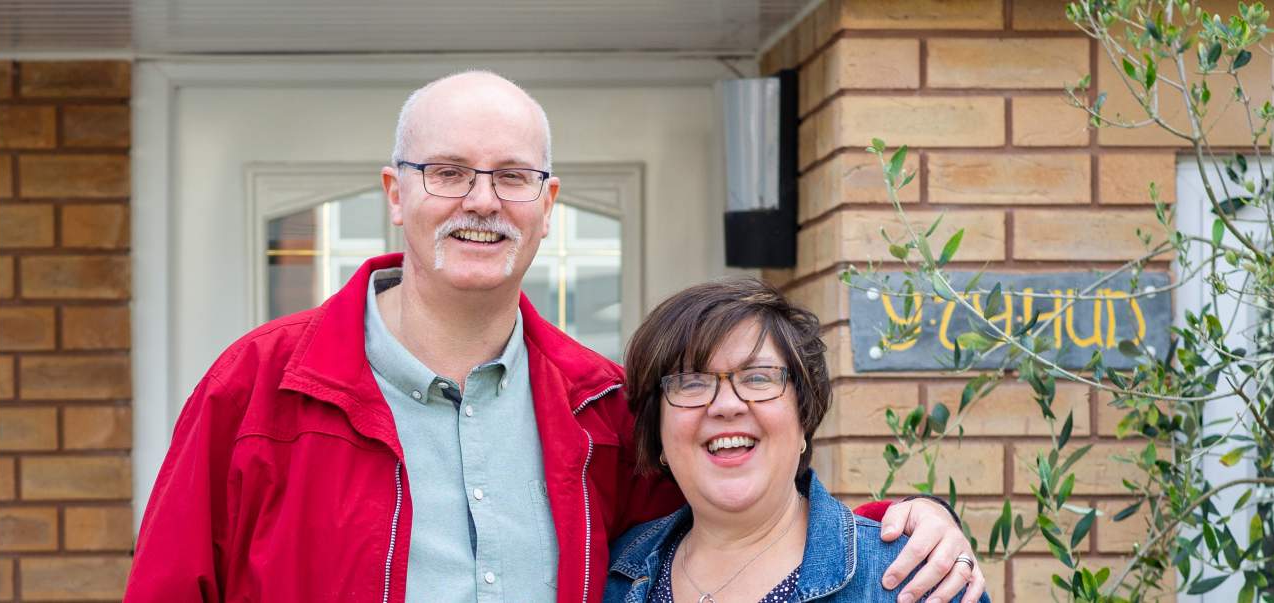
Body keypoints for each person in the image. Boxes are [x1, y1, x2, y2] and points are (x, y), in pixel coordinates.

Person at [124, 70, 983, 602]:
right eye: (448, 172)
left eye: (512, 176)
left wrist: (899, 527)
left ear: (548, 204)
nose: (481, 200)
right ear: (395, 192)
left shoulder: (599, 403)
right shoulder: (258, 386)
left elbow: (731, 519)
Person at [604, 278, 987, 603]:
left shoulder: (916, 578)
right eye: (691, 383)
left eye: (758, 377)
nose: (726, 405)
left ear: (804, 415)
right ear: (657, 430)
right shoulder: (613, 576)